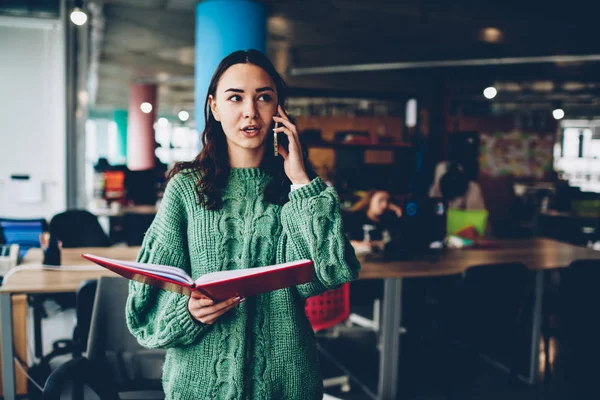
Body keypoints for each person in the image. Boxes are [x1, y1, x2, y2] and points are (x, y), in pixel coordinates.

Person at [125, 49, 360, 400]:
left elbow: (330, 272)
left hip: (286, 382)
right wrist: (187, 311)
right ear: (215, 107)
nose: (250, 111)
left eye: (263, 97)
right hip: (199, 386)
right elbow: (144, 306)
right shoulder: (186, 188)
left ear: (279, 110)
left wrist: (300, 179)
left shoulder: (298, 191)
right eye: (235, 97)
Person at [344, 189, 403, 254]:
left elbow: (401, 242)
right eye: (380, 200)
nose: (385, 204)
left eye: (388, 201)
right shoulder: (353, 217)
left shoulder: (390, 219)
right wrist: (360, 244)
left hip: (386, 261)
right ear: (370, 200)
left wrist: (399, 214)